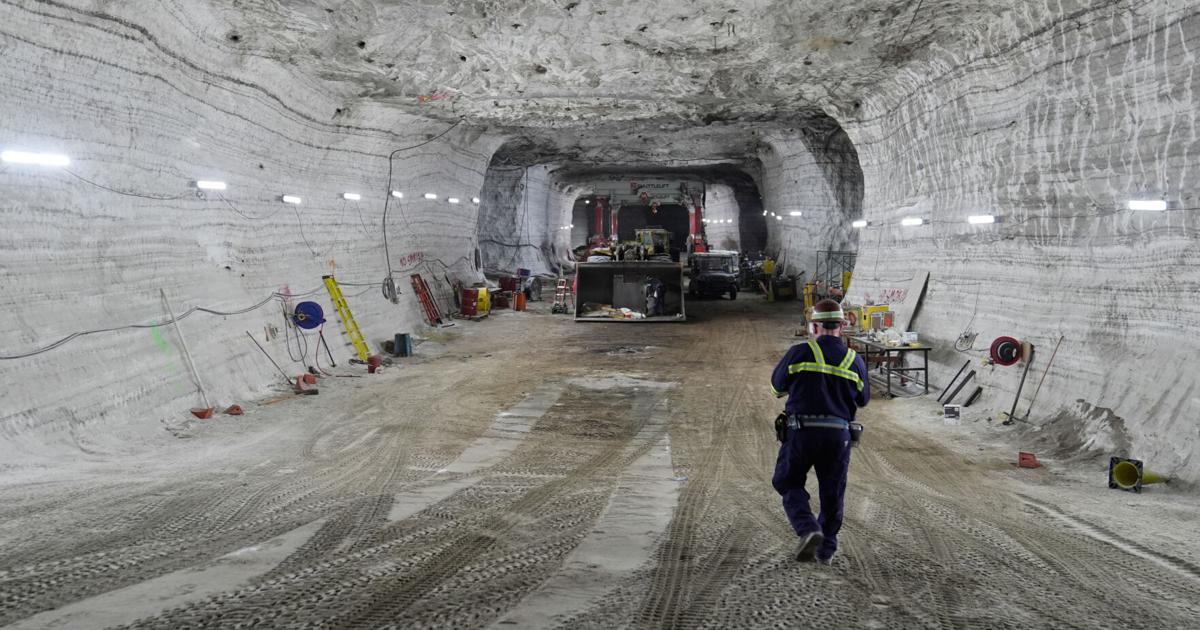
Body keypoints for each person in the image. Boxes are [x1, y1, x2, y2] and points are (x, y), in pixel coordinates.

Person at [769, 299, 869, 564]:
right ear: (842, 326)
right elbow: (863, 400)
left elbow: (776, 388)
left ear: (813, 326)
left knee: (787, 481)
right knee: (832, 491)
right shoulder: (855, 361)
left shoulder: (800, 353)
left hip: (801, 433)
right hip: (839, 436)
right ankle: (826, 550)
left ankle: (809, 529)